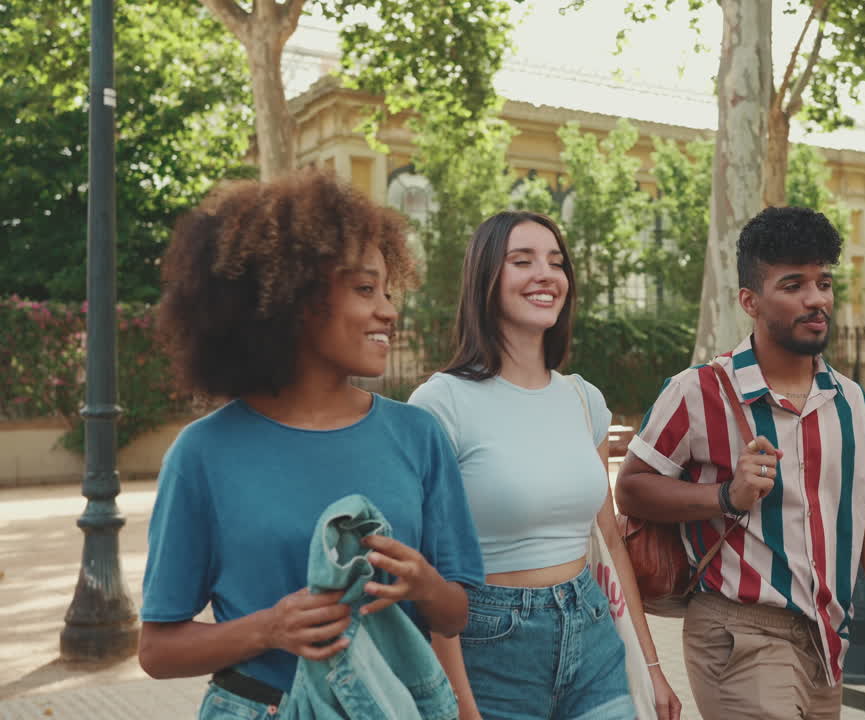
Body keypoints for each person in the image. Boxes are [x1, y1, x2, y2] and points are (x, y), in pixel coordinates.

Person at [138, 172, 484, 718]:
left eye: (389, 292)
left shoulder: (418, 436)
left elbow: (458, 614)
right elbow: (157, 651)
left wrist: (424, 584)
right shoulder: (202, 453)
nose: (390, 312)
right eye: (366, 289)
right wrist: (269, 629)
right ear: (297, 298)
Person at [615, 206, 865, 720]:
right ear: (750, 300)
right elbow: (631, 489)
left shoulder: (852, 401)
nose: (816, 300)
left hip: (826, 640)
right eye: (793, 285)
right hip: (739, 631)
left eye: (823, 282)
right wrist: (724, 496)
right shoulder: (699, 391)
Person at [407, 211, 680, 720]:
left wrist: (652, 664)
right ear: (486, 278)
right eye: (522, 260)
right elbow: (424, 561)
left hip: (592, 628)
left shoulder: (583, 399)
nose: (546, 274)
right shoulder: (440, 402)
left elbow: (610, 540)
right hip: (489, 645)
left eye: (556, 262)